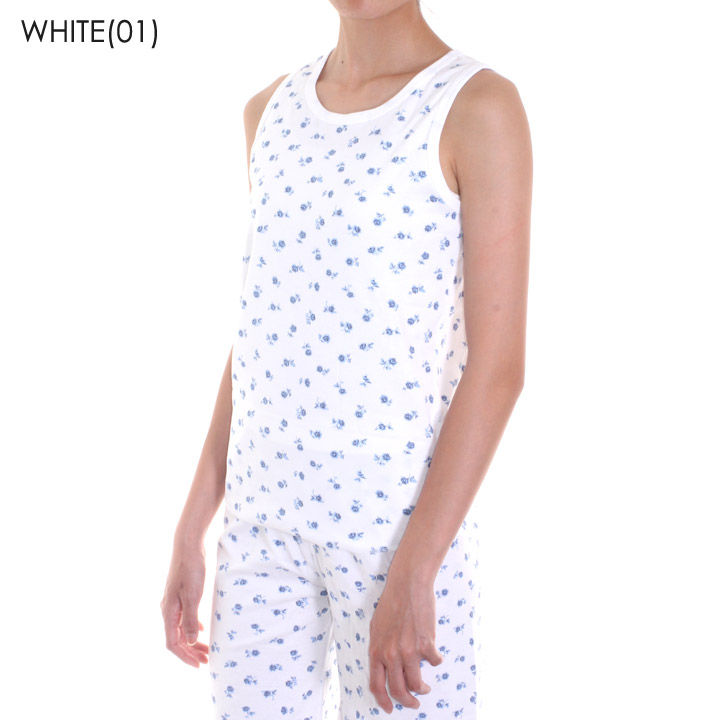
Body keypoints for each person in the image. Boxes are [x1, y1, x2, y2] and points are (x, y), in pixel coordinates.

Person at [160, 1, 532, 717]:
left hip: (399, 537)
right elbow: (263, 328)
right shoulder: (268, 112)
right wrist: (193, 521)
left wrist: (417, 568)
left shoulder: (476, 108)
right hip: (260, 531)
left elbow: (498, 367)